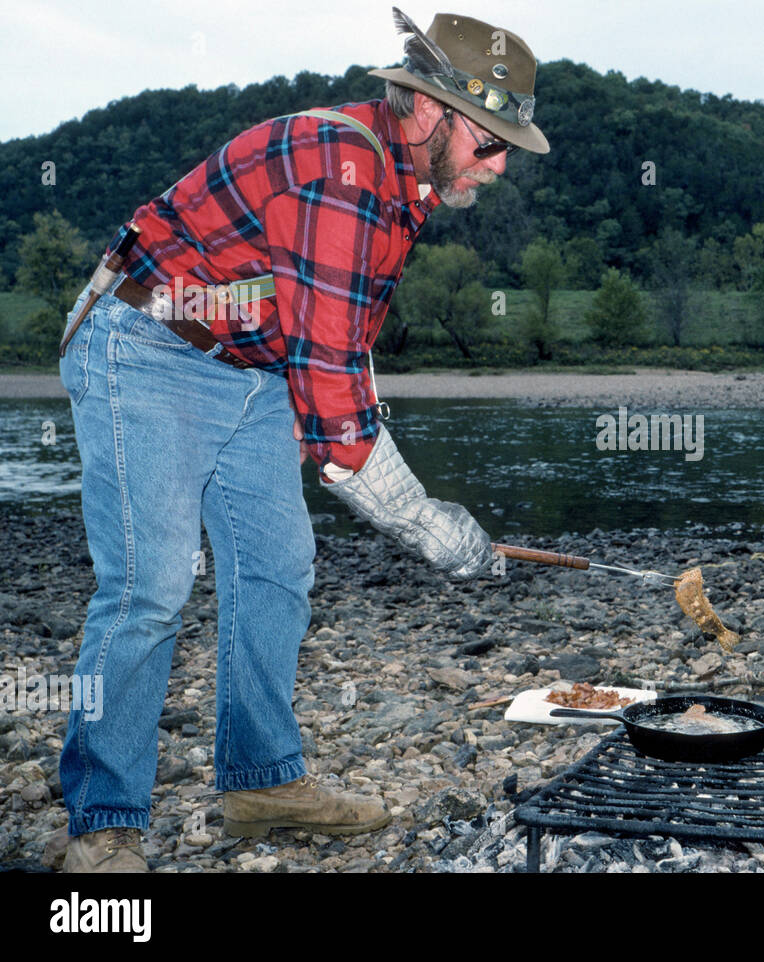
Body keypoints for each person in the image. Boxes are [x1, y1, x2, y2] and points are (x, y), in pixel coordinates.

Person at [56, 9, 549, 872]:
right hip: (146, 342)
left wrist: (349, 437)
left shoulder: (407, 186)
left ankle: (262, 781)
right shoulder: (342, 167)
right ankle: (103, 821)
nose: (501, 166)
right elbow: (333, 399)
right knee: (151, 586)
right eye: (492, 142)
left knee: (277, 563)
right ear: (430, 112)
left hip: (251, 365)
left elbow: (343, 345)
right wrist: (431, 526)